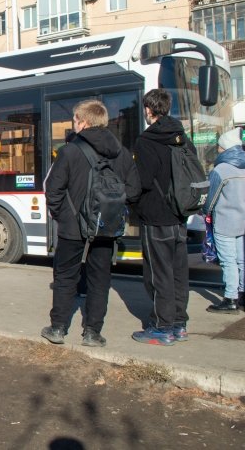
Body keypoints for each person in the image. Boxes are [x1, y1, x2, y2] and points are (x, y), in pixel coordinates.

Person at [42, 100, 140, 347]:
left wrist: (62, 215)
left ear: (83, 122)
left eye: (75, 120)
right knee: (100, 279)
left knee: (65, 277)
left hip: (72, 227)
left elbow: (53, 190)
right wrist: (114, 211)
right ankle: (92, 333)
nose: (73, 125)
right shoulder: (121, 153)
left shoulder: (69, 151)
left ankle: (58, 328)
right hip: (105, 226)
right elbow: (135, 190)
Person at [132, 88, 196, 345]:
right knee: (179, 272)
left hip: (156, 215)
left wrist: (131, 201)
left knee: (158, 274)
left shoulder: (146, 140)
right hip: (180, 214)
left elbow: (143, 181)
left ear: (149, 109)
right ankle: (179, 324)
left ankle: (162, 326)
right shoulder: (181, 136)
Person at [203, 128, 245, 314]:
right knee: (243, 259)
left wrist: (206, 212)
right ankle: (244, 295)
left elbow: (211, 198)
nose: (218, 150)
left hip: (225, 221)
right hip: (244, 218)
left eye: (219, 147)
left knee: (228, 261)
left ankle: (230, 299)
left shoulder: (221, 169)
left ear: (225, 148)